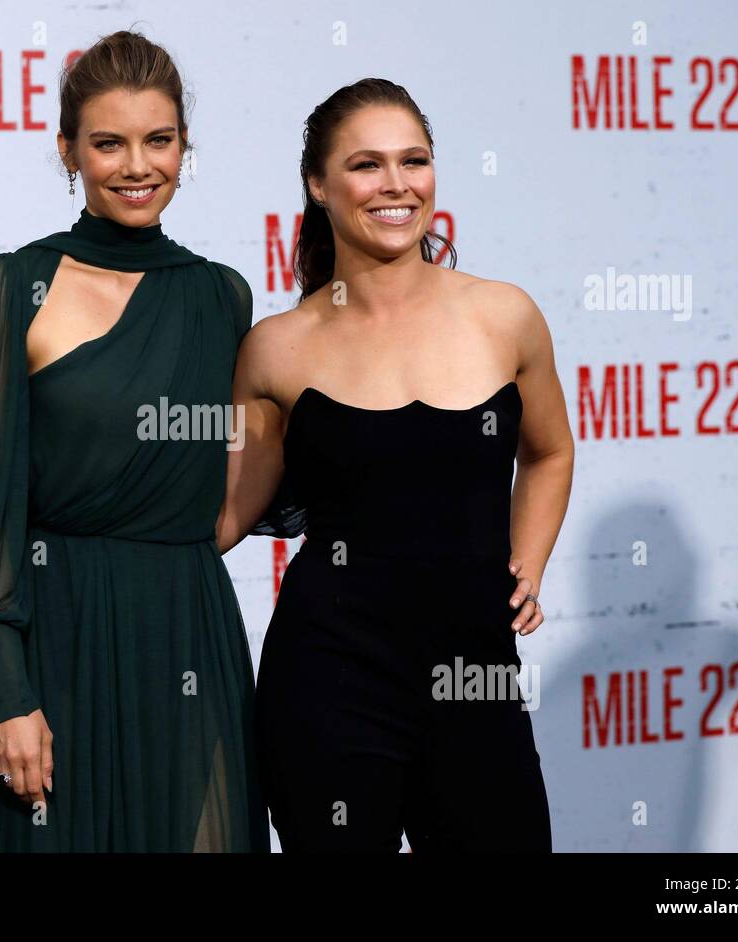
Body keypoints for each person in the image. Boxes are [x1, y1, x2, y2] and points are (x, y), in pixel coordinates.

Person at [219, 78, 575, 851]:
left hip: (477, 676)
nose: (396, 186)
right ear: (318, 184)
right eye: (367, 165)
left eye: (413, 161)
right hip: (327, 684)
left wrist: (527, 563)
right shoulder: (276, 347)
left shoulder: (503, 314)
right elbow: (225, 518)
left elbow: (549, 450)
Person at [0, 30, 269, 852]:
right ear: (68, 152)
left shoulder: (223, 295)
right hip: (56, 638)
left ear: (185, 148)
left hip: (189, 635)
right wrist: (7, 696)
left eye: (159, 140)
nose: (136, 166)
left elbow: (233, 490)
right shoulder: (10, 287)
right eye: (108, 143)